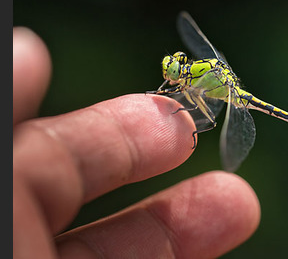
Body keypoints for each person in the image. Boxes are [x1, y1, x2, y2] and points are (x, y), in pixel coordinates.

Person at [13, 27, 261, 258]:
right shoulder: (191, 77)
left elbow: (194, 103)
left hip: (232, 92)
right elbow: (181, 92)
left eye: (174, 70)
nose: (172, 71)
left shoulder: (200, 82)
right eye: (174, 67)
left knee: (207, 120)